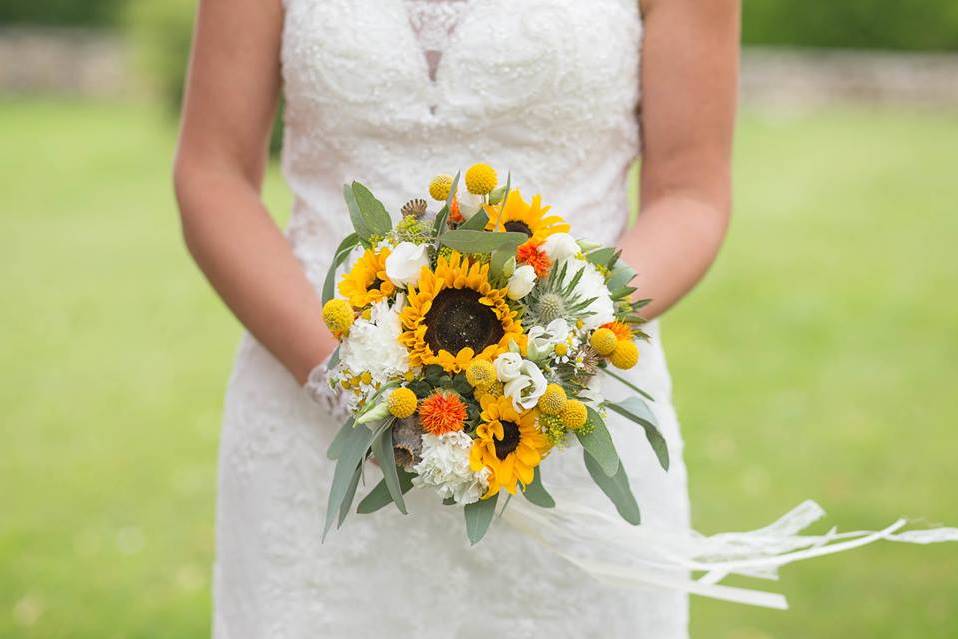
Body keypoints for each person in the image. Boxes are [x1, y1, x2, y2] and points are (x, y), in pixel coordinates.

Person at [174, 1, 738, 636]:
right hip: (308, 419)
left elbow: (690, 193)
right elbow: (212, 173)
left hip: (565, 420)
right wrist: (343, 382)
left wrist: (554, 354)